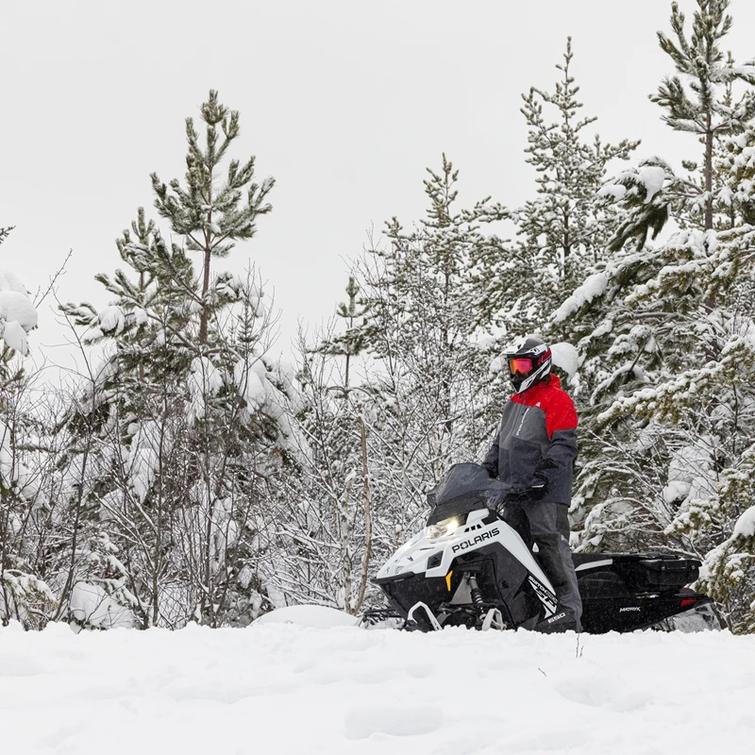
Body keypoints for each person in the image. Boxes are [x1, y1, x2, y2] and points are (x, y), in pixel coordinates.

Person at [483, 335, 582, 632]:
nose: (516, 372)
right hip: (512, 492)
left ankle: (569, 610)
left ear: (539, 364)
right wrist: (486, 469)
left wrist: (544, 475)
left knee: (551, 545)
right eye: (513, 366)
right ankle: (523, 611)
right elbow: (500, 445)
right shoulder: (514, 403)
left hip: (544, 492)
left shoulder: (557, 400)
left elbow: (563, 445)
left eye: (522, 365)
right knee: (512, 550)